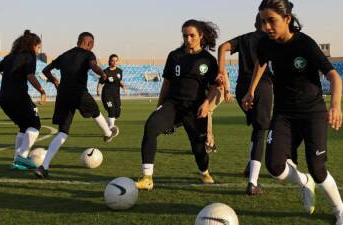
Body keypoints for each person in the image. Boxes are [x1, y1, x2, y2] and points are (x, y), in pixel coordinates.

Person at [242, 0, 343, 224]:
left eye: (271, 21)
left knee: (318, 168)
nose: (267, 27)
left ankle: (341, 210)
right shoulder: (265, 43)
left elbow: (334, 77)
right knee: (274, 167)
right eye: (263, 21)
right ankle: (304, 182)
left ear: (287, 19)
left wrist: (336, 106)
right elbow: (261, 63)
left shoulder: (305, 44)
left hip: (312, 112)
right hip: (283, 112)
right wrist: (251, 91)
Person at [136, 19, 220, 190]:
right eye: (185, 35)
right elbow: (166, 84)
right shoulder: (174, 56)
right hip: (172, 105)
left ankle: (204, 172)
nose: (188, 39)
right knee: (151, 126)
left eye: (192, 35)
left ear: (201, 36)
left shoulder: (208, 60)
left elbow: (213, 87)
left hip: (195, 108)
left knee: (199, 149)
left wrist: (206, 104)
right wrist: (159, 107)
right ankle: (147, 177)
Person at [34, 32, 118, 178]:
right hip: (79, 92)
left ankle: (43, 167)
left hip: (63, 95)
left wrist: (54, 81)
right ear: (89, 44)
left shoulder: (65, 55)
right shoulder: (88, 55)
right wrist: (102, 74)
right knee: (96, 111)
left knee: (63, 132)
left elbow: (45, 70)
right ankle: (107, 133)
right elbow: (93, 66)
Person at [0, 30, 45, 170]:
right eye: (38, 47)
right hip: (18, 96)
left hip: (4, 99)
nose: (38, 50)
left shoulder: (10, 57)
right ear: (32, 45)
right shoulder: (29, 56)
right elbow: (30, 76)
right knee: (35, 125)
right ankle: (21, 156)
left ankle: (16, 161)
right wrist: (42, 91)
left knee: (24, 127)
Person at [217, 14, 273, 195]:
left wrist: (220, 70)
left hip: (241, 88)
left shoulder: (244, 38)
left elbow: (222, 47)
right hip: (260, 86)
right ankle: (253, 183)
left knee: (256, 127)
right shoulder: (271, 39)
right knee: (260, 130)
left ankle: (250, 167)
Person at [96, 54, 126, 130]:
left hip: (116, 95)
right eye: (113, 60)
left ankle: (108, 122)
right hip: (107, 94)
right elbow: (100, 82)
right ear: (109, 61)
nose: (114, 62)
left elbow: (119, 81)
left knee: (117, 113)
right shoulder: (105, 72)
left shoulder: (119, 71)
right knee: (111, 110)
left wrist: (123, 86)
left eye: (116, 60)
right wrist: (98, 91)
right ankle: (111, 128)